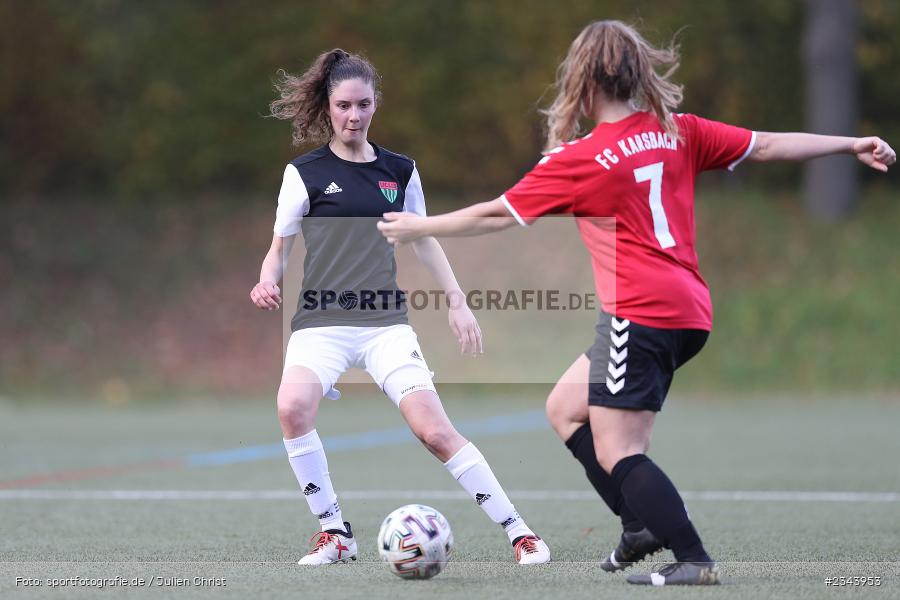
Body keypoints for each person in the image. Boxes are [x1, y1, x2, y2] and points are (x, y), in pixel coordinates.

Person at [377, 20, 895, 586]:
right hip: (690, 310)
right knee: (565, 408)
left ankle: (693, 558)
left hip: (641, 312)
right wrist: (850, 143)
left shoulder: (582, 158)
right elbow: (767, 144)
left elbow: (498, 213)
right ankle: (639, 526)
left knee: (620, 450)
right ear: (637, 72)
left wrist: (420, 225)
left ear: (582, 80)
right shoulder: (680, 131)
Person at [250, 49, 551, 566]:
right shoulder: (303, 174)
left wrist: (458, 303)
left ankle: (521, 533)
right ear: (328, 105)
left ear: (375, 105)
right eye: (343, 105)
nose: (353, 116)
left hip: (383, 324)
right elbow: (280, 249)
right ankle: (335, 532)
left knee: (433, 430)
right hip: (320, 323)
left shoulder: (399, 171)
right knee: (291, 408)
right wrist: (264, 281)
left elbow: (425, 240)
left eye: (363, 105)